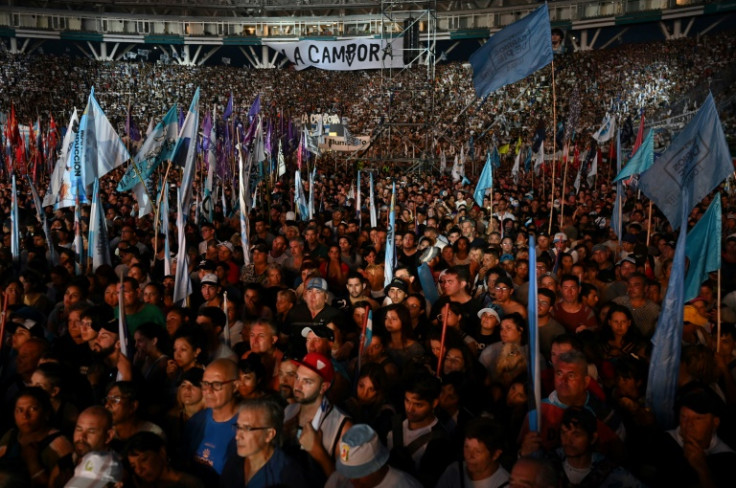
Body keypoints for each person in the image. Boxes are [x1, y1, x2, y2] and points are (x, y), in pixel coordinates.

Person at [283, 352, 352, 486]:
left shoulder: (343, 427)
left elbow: (346, 484)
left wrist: (318, 452)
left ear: (323, 387)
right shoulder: (288, 411)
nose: (297, 386)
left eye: (307, 381)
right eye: (297, 377)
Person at [221, 398, 307, 488]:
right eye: (238, 427)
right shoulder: (234, 461)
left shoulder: (288, 474)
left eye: (247, 428)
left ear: (269, 435)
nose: (237, 436)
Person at [387, 372, 451, 487]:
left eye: (418, 405)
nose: (410, 409)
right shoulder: (393, 423)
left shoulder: (439, 442)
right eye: (407, 401)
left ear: (434, 403)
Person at [0, 387, 74, 487]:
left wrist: (33, 463)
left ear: (46, 413)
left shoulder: (60, 444)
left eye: (33, 409)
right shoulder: (10, 436)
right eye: (19, 410)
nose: (25, 416)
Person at [182, 358, 240, 483]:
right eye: (205, 384)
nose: (208, 391)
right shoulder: (196, 422)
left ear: (235, 386)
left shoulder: (247, 425)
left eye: (217, 385)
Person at [326, 424, 423, 488]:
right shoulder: (338, 481)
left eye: (359, 474)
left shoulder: (406, 485)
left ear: (377, 465)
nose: (353, 481)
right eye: (349, 472)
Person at [47, 405, 116, 488]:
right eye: (79, 429)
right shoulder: (64, 465)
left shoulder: (114, 470)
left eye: (91, 431)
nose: (81, 437)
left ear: (109, 436)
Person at [436, 417, 510, 488]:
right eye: (466, 447)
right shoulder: (454, 472)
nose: (469, 455)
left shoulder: (507, 484)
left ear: (495, 454)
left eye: (478, 451)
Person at [127, 431, 204, 487]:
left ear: (162, 452)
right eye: (133, 466)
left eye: (144, 460)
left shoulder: (190, 484)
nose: (139, 470)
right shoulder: (142, 483)